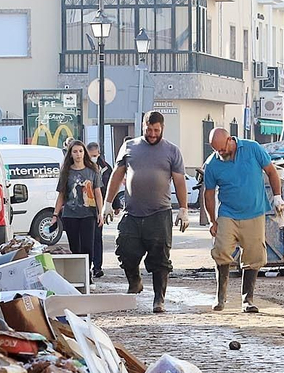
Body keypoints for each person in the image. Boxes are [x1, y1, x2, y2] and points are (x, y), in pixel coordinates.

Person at [105, 112, 190, 313]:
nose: (152, 134)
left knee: (160, 259)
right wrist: (108, 203)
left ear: (162, 128)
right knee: (125, 251)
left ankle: (159, 299)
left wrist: (184, 209)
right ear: (143, 127)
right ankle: (135, 281)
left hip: (159, 213)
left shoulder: (172, 151)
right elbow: (117, 175)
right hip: (132, 212)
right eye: (149, 130)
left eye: (156, 130)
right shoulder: (129, 147)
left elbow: (179, 181)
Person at [201, 128, 282, 313]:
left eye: (222, 149)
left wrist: (277, 196)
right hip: (228, 213)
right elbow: (209, 194)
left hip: (254, 212)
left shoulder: (253, 149)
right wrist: (213, 221)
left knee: (254, 255)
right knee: (221, 250)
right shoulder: (213, 164)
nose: (219, 153)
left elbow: (271, 171)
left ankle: (247, 299)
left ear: (230, 140)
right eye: (215, 150)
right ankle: (220, 297)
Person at [54, 139, 103, 279]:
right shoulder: (66, 172)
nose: (78, 154)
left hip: (89, 214)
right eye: (75, 151)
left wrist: (100, 213)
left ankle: (87, 274)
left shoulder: (93, 170)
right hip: (71, 214)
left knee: (88, 246)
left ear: (84, 153)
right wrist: (55, 214)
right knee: (75, 247)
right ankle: (78, 275)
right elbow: (61, 195)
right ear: (70, 154)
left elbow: (98, 193)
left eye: (81, 151)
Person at [84, 140, 113, 277]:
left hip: (99, 206)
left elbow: (111, 186)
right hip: (85, 206)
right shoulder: (82, 167)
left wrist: (113, 204)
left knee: (97, 237)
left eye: (95, 155)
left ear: (99, 154)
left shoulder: (106, 168)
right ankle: (86, 267)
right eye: (90, 155)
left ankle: (97, 267)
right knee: (86, 238)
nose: (93, 158)